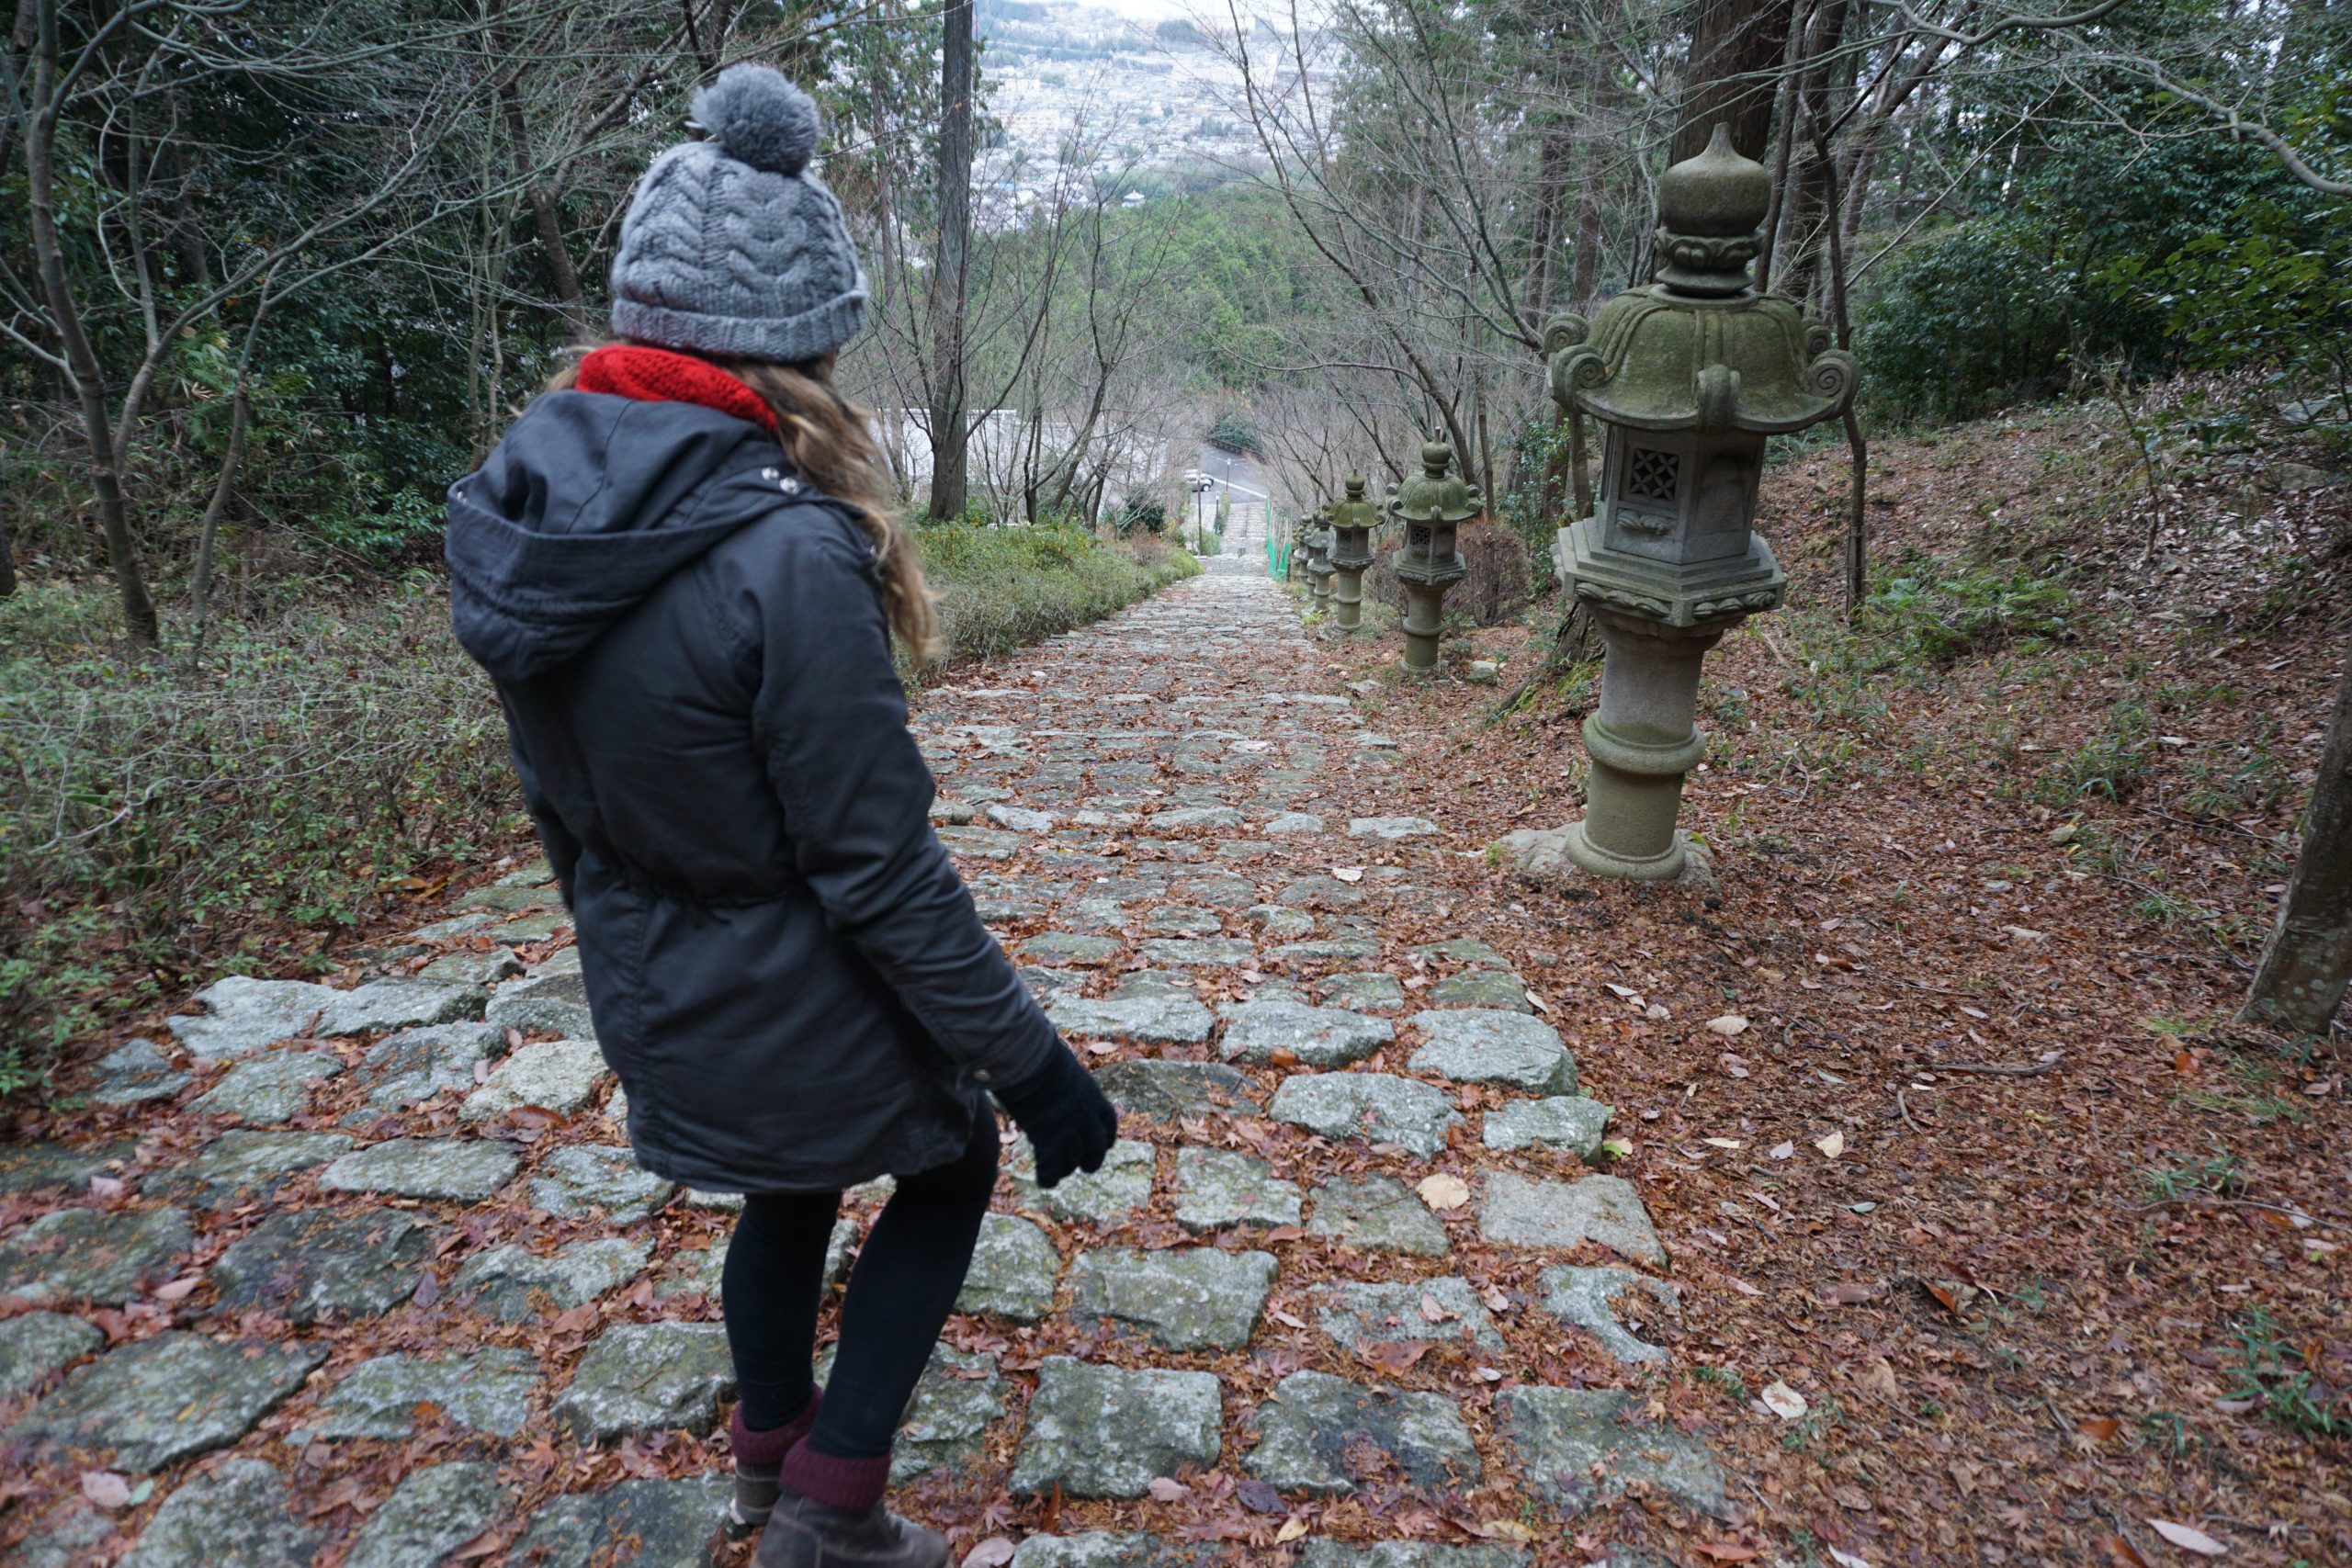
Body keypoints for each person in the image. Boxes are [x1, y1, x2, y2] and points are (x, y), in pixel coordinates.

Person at [443, 63, 1119, 1568]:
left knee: (789, 1181)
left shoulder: (530, 502)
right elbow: (876, 866)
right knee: (954, 1162)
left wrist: (630, 949)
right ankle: (833, 1503)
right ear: (802, 342)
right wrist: (1034, 1062)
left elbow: (557, 809)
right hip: (798, 967)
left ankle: (765, 1458)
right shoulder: (787, 546)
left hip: (655, 970)